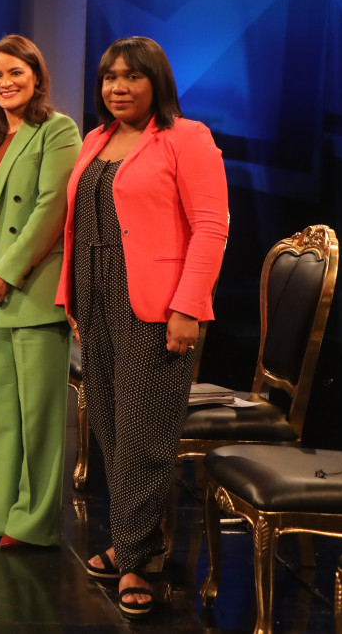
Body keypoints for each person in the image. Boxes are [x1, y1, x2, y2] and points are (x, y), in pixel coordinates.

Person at [57, 37, 227, 618]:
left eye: (132, 76)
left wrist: (188, 307)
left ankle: (135, 562)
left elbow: (211, 227)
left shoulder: (187, 137)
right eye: (110, 77)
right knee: (110, 425)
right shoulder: (96, 139)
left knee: (144, 434)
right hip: (95, 296)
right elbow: (79, 224)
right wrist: (74, 298)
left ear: (157, 81)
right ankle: (140, 543)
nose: (118, 87)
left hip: (154, 306)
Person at [0, 34, 81, 548]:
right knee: (0, 416)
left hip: (31, 292)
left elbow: (53, 207)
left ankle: (33, 523)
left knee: (38, 419)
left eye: (16, 72)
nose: (5, 83)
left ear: (37, 76)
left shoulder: (57, 130)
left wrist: (5, 273)